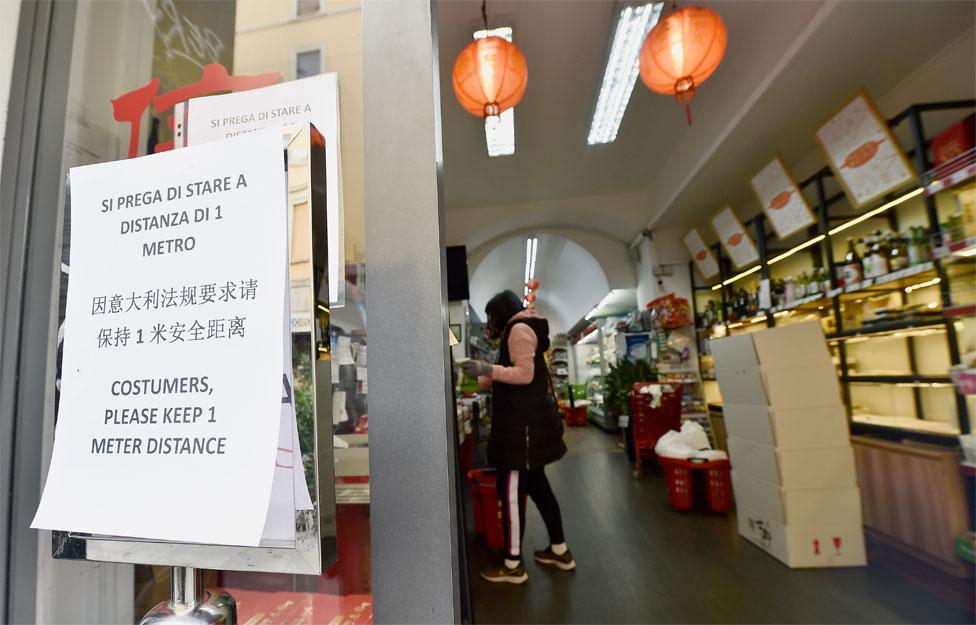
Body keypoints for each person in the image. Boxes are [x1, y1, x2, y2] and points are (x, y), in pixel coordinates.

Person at [462, 290, 574, 584]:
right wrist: (487, 377)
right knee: (539, 489)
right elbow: (520, 373)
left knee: (510, 494)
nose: (490, 322)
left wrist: (488, 369)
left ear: (501, 313)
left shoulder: (519, 330)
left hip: (520, 432)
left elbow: (524, 374)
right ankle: (560, 550)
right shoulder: (522, 328)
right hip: (530, 429)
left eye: (491, 316)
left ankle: (512, 565)